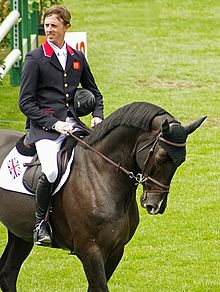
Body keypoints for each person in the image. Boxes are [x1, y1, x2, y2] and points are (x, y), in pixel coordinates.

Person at [19, 5, 104, 246]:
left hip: (74, 125)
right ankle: (40, 223)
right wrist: (55, 124)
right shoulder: (35, 59)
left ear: (66, 27)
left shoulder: (77, 58)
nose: (49, 30)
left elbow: (95, 93)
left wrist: (97, 115)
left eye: (54, 26)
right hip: (44, 129)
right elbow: (25, 102)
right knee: (53, 170)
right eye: (46, 26)